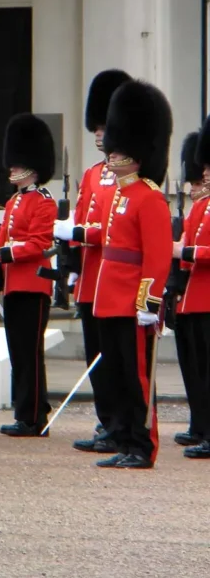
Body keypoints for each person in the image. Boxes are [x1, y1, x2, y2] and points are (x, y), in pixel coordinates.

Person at [56, 80, 172, 469]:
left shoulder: (150, 198)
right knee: (120, 375)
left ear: (139, 155)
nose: (112, 154)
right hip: (108, 297)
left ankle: (142, 445)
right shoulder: (118, 196)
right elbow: (101, 245)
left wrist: (149, 302)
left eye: (121, 150)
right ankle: (123, 439)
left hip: (131, 301)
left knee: (139, 379)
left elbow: (156, 258)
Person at [69, 69, 132, 454]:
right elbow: (81, 218)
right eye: (95, 128)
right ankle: (106, 419)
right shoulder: (92, 174)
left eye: (103, 127)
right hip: (90, 279)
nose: (97, 134)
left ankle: (122, 423)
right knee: (96, 356)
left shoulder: (125, 179)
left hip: (113, 280)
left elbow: (109, 228)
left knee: (115, 358)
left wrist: (81, 232)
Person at [0, 114, 58, 437]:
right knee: (18, 350)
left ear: (32, 168)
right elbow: (2, 238)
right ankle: (27, 410)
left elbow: (38, 243)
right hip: (15, 284)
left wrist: (4, 254)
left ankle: (33, 416)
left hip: (34, 283)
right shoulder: (14, 201)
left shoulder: (43, 202)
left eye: (17, 166)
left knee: (29, 351)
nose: (12, 170)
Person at [169, 132, 210, 452]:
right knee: (196, 369)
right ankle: (200, 426)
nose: (204, 174)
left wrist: (184, 253)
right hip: (192, 299)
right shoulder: (200, 207)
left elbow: (193, 251)